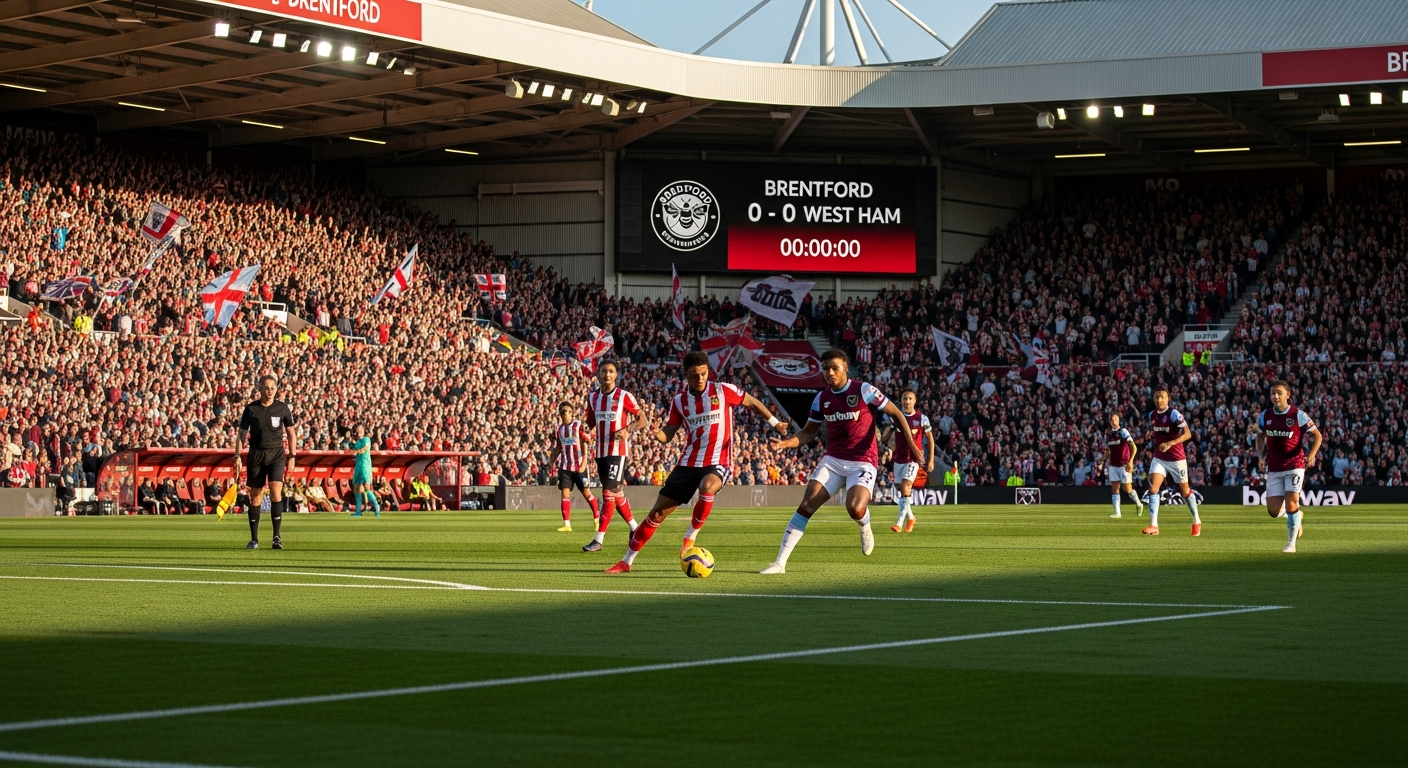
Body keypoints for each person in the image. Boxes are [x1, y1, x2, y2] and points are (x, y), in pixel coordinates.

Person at [605, 351, 788, 573]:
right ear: (686, 375)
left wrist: (775, 423)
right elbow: (668, 434)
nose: (700, 378)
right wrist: (653, 433)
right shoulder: (680, 402)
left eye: (703, 374)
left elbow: (752, 402)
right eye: (694, 375)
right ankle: (627, 561)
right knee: (657, 513)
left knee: (708, 486)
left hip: (718, 461)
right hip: (688, 463)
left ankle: (690, 536)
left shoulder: (722, 390)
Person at [759, 349, 919, 574]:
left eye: (834, 368)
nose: (829, 373)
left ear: (845, 367)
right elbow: (807, 433)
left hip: (863, 461)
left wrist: (912, 445)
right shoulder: (821, 398)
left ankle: (865, 525)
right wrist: (786, 444)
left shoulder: (864, 390)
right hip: (833, 459)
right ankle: (779, 563)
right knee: (807, 503)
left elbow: (896, 414)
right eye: (825, 369)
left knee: (854, 507)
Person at [582, 360, 644, 553]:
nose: (607, 375)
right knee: (616, 494)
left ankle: (598, 539)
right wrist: (583, 429)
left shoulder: (624, 396)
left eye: (611, 371)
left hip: (617, 451)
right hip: (600, 452)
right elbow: (590, 421)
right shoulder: (592, 397)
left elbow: (642, 419)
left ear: (616, 375)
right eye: (604, 371)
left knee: (608, 494)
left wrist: (628, 430)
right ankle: (635, 529)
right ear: (599, 374)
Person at [1255, 380, 1321, 554]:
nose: (1275, 396)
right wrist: (1260, 456)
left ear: (1287, 395)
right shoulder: (1265, 416)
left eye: (1279, 392)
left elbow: (1317, 436)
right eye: (1272, 393)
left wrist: (1312, 455)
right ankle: (1297, 516)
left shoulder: (1298, 415)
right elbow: (1260, 437)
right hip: (1274, 467)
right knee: (1273, 511)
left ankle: (1291, 544)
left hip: (1295, 465)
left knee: (1292, 503)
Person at [233, 375, 298, 549]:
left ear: (276, 389)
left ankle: (277, 537)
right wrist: (237, 456)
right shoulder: (251, 409)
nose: (269, 390)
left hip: (277, 454)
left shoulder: (282, 408)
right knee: (255, 496)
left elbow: (291, 433)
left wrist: (292, 456)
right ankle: (254, 539)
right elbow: (241, 435)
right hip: (256, 454)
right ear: (260, 389)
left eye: (272, 387)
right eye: (266, 387)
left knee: (277, 492)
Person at [1143, 386, 1201, 537]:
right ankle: (1154, 526)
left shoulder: (1174, 414)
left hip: (1177, 458)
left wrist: (1170, 443)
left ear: (1168, 398)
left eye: (1162, 397)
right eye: (1156, 397)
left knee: (1186, 491)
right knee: (1154, 489)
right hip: (1160, 457)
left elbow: (1188, 434)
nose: (1159, 400)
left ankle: (1196, 520)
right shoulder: (1152, 415)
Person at [880, 389, 933, 533]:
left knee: (905, 487)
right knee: (900, 490)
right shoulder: (896, 418)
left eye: (910, 398)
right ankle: (911, 517)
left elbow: (930, 439)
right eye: (905, 398)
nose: (907, 401)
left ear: (915, 401)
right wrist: (891, 428)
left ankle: (899, 523)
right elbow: (884, 439)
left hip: (913, 460)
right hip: (899, 459)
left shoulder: (922, 418)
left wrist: (931, 460)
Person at [546, 402, 599, 532]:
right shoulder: (559, 429)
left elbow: (586, 442)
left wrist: (584, 462)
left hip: (579, 466)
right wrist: (551, 461)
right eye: (562, 411)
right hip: (565, 466)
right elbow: (559, 447)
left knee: (587, 493)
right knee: (565, 493)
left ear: (571, 412)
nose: (564, 413)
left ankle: (597, 519)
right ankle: (567, 524)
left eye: (566, 411)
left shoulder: (578, 426)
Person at [1098, 413, 1144, 519]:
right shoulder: (1108, 434)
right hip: (1113, 465)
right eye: (1111, 419)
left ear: (1118, 420)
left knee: (1128, 489)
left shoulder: (1123, 432)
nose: (1113, 420)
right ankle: (1117, 513)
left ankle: (1139, 503)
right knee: (1115, 489)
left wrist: (1131, 461)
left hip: (1124, 464)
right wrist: (1101, 461)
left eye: (1115, 418)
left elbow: (1133, 446)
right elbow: (1108, 450)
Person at [348, 424, 378, 518]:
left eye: (360, 430)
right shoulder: (357, 442)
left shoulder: (366, 440)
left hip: (365, 467)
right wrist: (350, 442)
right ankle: (358, 511)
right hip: (358, 467)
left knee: (367, 488)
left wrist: (356, 452)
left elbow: (363, 450)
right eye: (357, 430)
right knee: (357, 488)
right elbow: (352, 448)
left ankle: (376, 506)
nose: (359, 432)